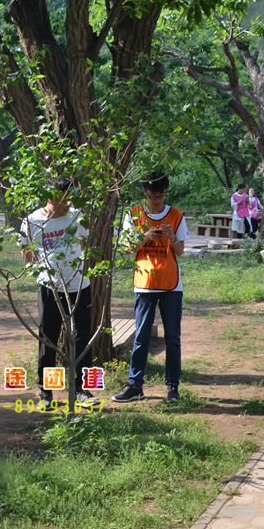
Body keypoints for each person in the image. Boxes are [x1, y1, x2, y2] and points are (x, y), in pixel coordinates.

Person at [19, 178, 96, 410]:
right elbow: (26, 252)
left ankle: (84, 389)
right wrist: (43, 268)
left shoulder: (76, 215)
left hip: (78, 286)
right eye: (63, 201)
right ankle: (46, 392)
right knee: (48, 338)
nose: (67, 205)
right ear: (50, 199)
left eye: (68, 199)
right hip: (49, 287)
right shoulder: (32, 221)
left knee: (83, 338)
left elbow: (84, 243)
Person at [114, 172, 188, 404]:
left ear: (166, 192)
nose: (157, 200)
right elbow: (127, 248)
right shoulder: (134, 214)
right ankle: (135, 385)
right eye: (152, 195)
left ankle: (172, 387)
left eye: (161, 195)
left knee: (172, 338)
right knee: (141, 336)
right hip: (145, 283)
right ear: (145, 193)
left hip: (171, 284)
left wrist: (172, 237)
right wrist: (144, 236)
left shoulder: (176, 215)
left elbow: (180, 251)